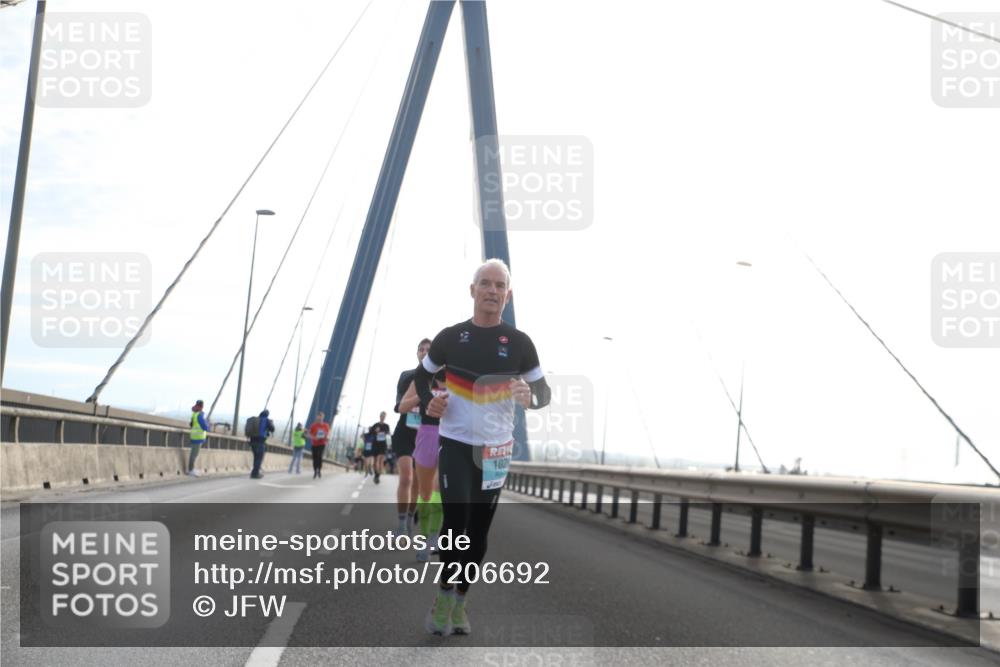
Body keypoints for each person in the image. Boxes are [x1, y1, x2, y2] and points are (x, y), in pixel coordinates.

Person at [414, 259, 550, 636]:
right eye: (485, 284)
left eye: (499, 286)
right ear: (472, 290)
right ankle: (443, 596)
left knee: (477, 534)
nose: (492, 291)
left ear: (508, 295)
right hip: (456, 443)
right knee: (457, 523)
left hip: (495, 452)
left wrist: (529, 395)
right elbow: (424, 377)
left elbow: (543, 393)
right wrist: (431, 402)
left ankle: (460, 601)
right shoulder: (450, 338)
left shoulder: (521, 344)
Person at [399, 368, 447, 561]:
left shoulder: (458, 374)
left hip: (451, 435)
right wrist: (420, 395)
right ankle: (425, 537)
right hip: (426, 433)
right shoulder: (421, 379)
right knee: (425, 494)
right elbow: (402, 407)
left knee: (440, 491)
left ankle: (433, 537)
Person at [391, 339, 431, 535]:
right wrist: (421, 394)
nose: (424, 352)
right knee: (406, 477)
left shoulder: (441, 378)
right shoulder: (407, 376)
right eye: (421, 349)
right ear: (417, 353)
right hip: (405, 432)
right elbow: (399, 405)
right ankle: (400, 526)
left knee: (417, 482)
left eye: (428, 350)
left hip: (426, 435)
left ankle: (408, 518)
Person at [248, 409, 275, 479]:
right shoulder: (266, 420)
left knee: (256, 457)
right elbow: (272, 429)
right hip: (260, 442)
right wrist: (271, 423)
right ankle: (255, 474)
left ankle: (254, 472)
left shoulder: (256, 420)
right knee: (259, 458)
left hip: (252, 441)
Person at [188, 399, 209, 476]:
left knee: (193, 454)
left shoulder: (194, 414)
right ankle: (191, 470)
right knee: (194, 454)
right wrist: (207, 423)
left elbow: (191, 424)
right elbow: (205, 427)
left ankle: (191, 469)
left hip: (194, 436)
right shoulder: (199, 415)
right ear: (202, 406)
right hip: (198, 438)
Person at [369, 412, 391, 484]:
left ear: (385, 417)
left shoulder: (386, 426)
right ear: (380, 416)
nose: (382, 417)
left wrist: (389, 443)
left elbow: (388, 434)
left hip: (383, 445)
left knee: (379, 460)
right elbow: (370, 433)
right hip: (376, 445)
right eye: (381, 416)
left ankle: (377, 476)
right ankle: (376, 474)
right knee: (375, 462)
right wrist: (375, 431)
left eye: (384, 416)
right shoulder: (375, 425)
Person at [308, 412, 331, 479]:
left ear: (323, 418)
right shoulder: (313, 426)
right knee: (314, 458)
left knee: (319, 456)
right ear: (316, 417)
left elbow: (328, 434)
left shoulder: (326, 425)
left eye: (321, 417)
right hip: (314, 444)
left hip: (322, 443)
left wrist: (327, 437)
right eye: (318, 417)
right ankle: (315, 471)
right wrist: (314, 437)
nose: (319, 418)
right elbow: (309, 434)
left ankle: (319, 470)